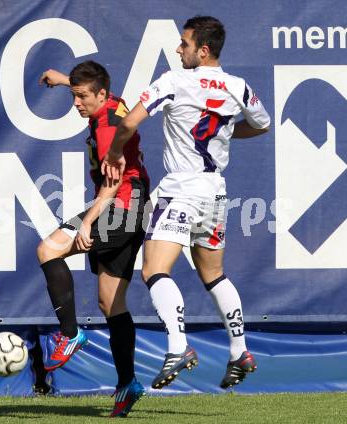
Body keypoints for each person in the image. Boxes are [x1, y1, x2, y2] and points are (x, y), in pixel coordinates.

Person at [102, 15, 270, 390]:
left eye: (184, 43)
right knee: (213, 274)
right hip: (215, 191)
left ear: (203, 50)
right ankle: (239, 350)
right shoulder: (238, 87)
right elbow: (262, 124)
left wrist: (114, 154)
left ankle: (178, 346)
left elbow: (128, 123)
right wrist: (224, 134)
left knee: (154, 269)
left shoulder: (174, 81)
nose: (178, 50)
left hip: (181, 189)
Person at [37, 61, 149, 416]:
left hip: (120, 205)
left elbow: (111, 183)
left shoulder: (106, 129)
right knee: (110, 303)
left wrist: (87, 223)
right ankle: (127, 382)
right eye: (74, 95)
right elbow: (92, 89)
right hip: (137, 205)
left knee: (48, 249)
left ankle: (69, 334)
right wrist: (62, 81)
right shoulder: (113, 103)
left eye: (82, 96)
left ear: (101, 93)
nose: (77, 102)